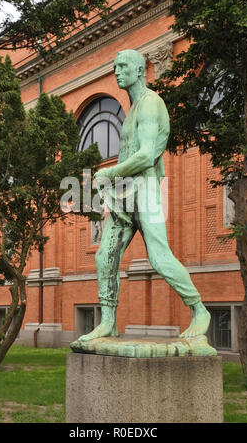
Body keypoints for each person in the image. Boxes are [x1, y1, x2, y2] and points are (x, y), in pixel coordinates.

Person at [78, 49, 210, 341]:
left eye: (123, 66)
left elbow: (148, 154)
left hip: (146, 189)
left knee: (159, 256)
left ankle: (199, 309)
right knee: (105, 257)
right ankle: (109, 322)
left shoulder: (151, 104)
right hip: (125, 192)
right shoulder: (133, 107)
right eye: (115, 66)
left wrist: (108, 173)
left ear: (140, 70)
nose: (117, 71)